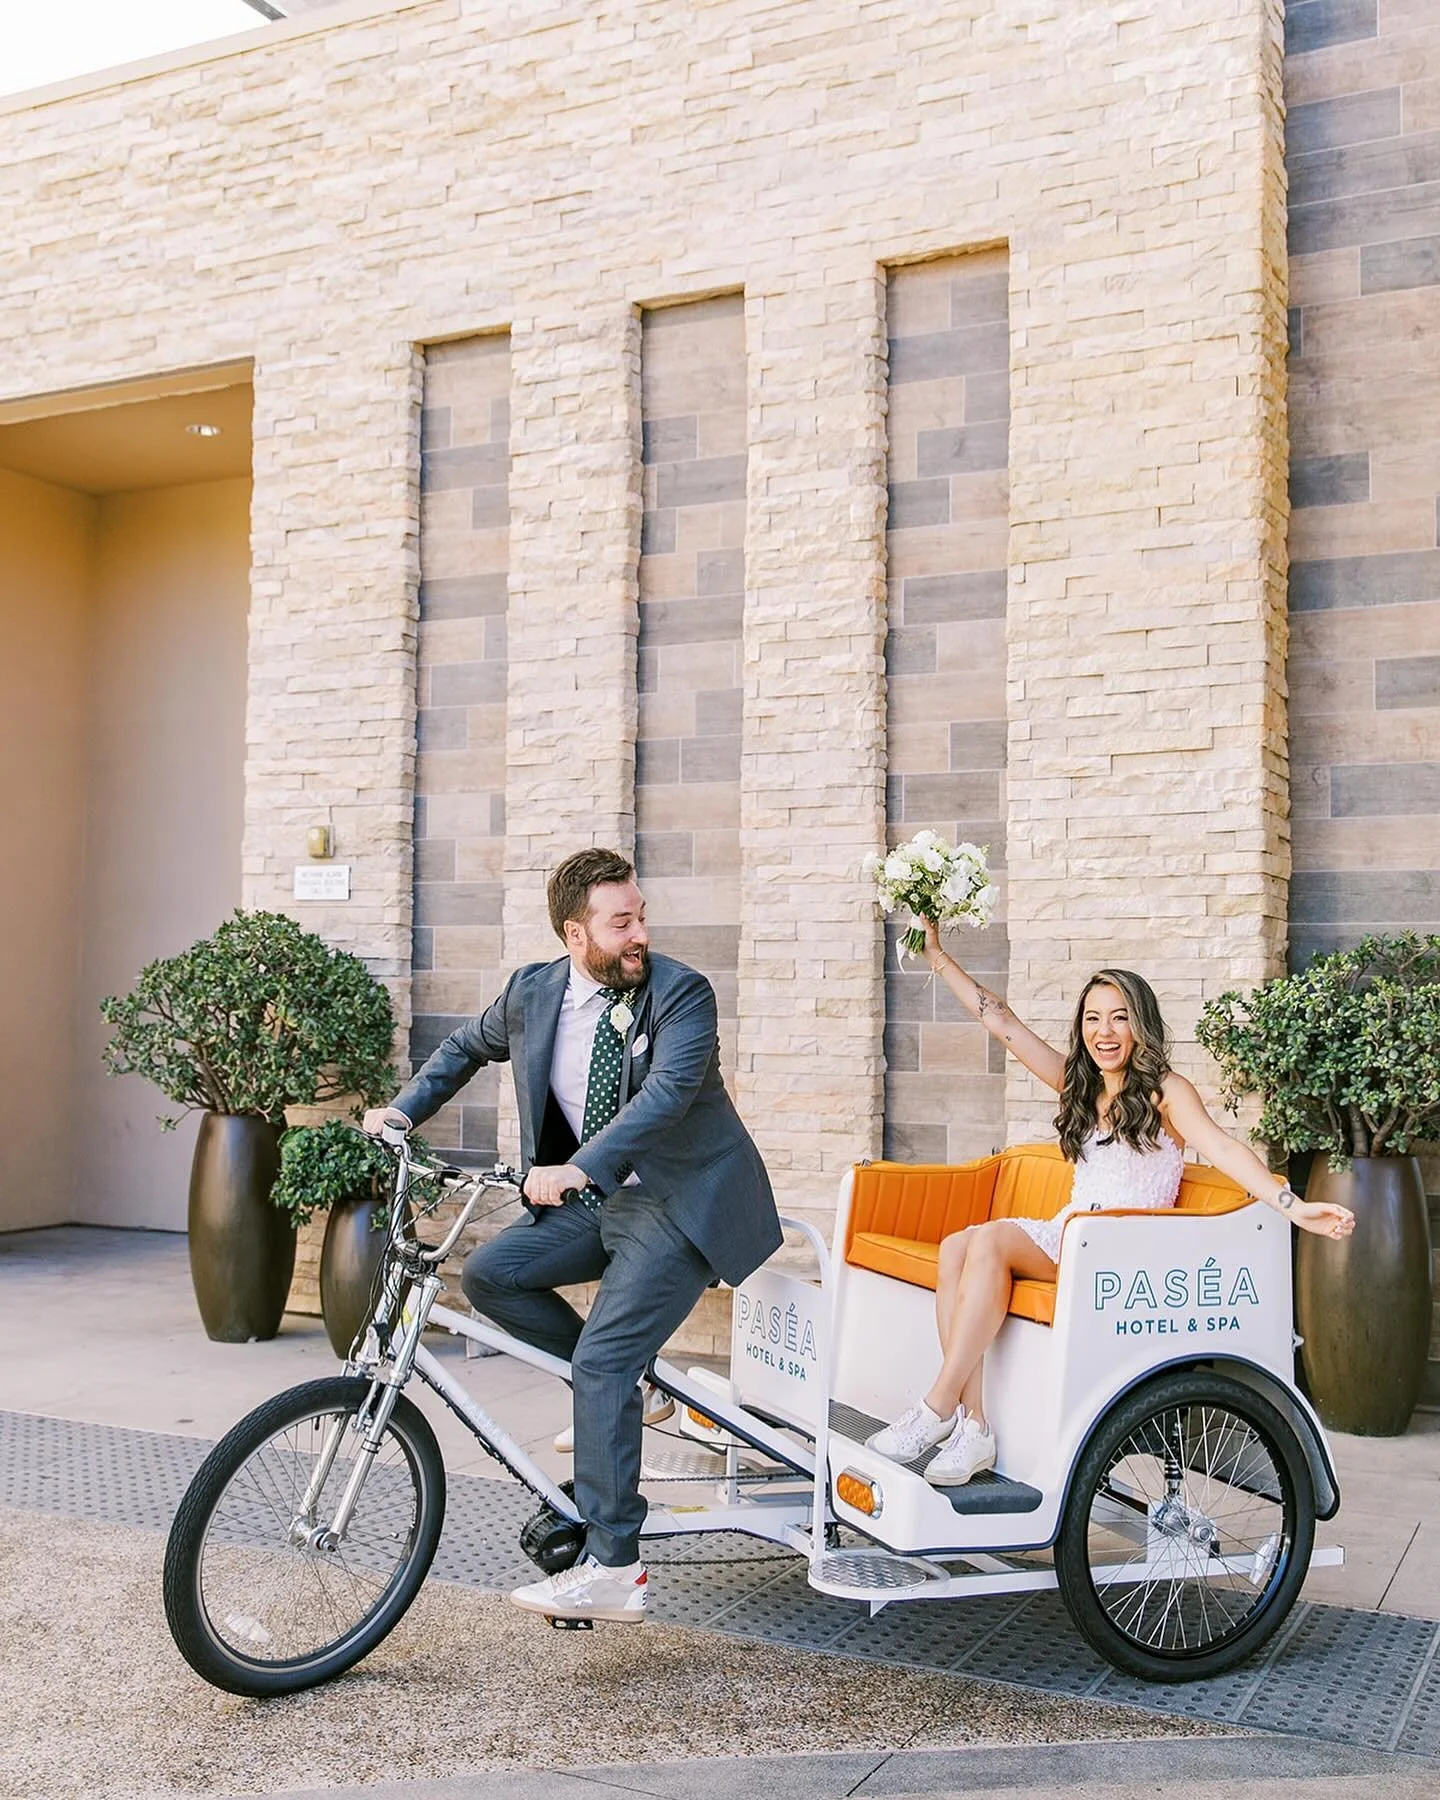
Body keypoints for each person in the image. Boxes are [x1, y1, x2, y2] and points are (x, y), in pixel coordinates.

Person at [363, 847, 781, 1623]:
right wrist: (401, 1112)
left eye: (642, 916)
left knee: (604, 1357)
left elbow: (664, 1096)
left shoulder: (681, 993)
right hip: (592, 1206)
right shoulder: (533, 992)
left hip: (677, 1201)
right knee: (493, 1275)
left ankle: (615, 1563)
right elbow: (462, 1049)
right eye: (621, 921)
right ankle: (628, 1391)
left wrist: (578, 1167)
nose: (639, 934)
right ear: (574, 933)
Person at [867, 924, 1356, 1486]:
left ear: (1140, 1025)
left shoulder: (1166, 1093)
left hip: (1121, 1252)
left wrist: (1292, 1205)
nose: (1104, 1031)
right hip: (1076, 1234)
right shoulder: (1081, 1086)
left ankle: (937, 1406)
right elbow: (1000, 1022)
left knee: (989, 1240)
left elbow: (1221, 1146)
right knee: (958, 1244)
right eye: (1093, 1018)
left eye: (1119, 1017)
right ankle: (974, 1425)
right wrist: (937, 956)